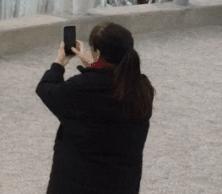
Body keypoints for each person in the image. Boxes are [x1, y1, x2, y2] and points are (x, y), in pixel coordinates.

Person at [36, 22, 154, 194]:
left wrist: (59, 64)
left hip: (77, 184)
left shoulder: (82, 87)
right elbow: (111, 79)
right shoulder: (142, 87)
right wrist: (94, 66)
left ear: (97, 53)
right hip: (122, 185)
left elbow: (46, 90)